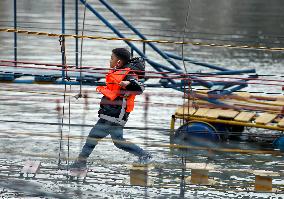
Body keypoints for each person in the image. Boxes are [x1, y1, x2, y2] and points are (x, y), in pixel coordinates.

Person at [71, 48, 152, 170]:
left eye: (112, 58)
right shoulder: (119, 71)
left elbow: (140, 87)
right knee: (118, 141)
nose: (110, 61)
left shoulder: (129, 74)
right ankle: (144, 155)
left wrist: (129, 84)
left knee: (93, 136)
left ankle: (81, 163)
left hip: (115, 114)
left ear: (118, 62)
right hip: (110, 112)